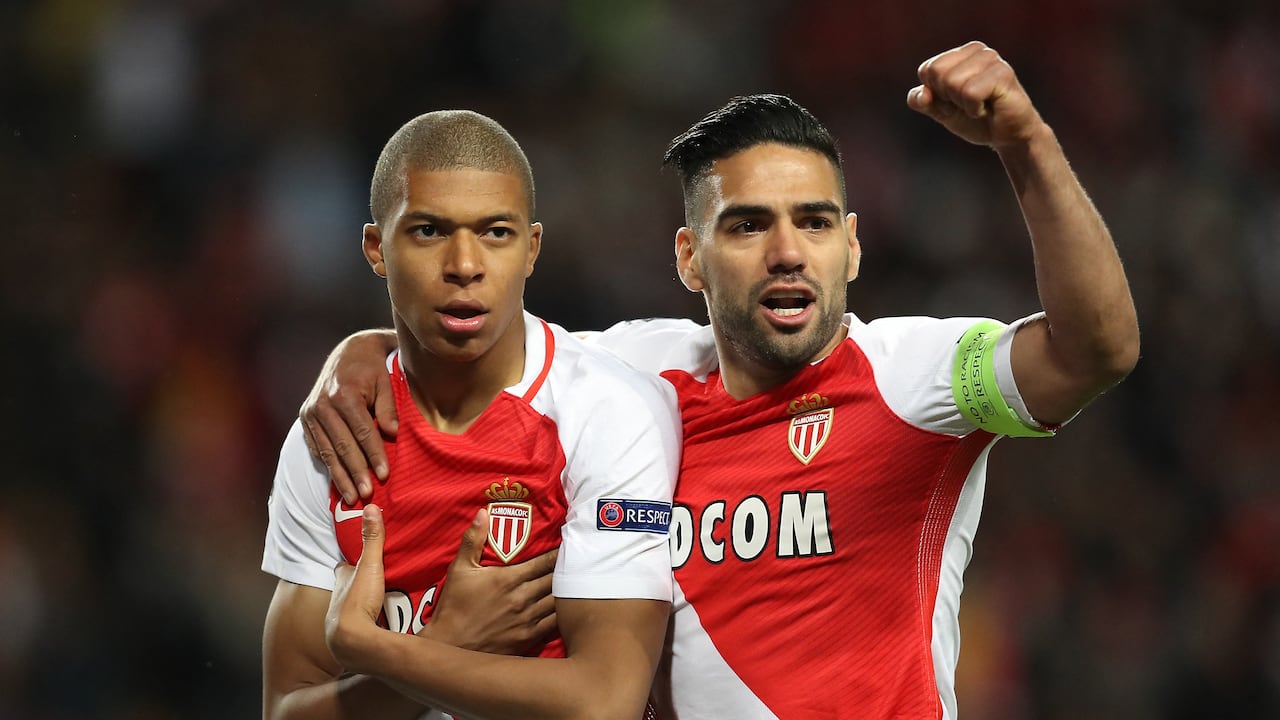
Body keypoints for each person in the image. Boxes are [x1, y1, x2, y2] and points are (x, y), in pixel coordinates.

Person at [300, 42, 1140, 719]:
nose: (786, 251)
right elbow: (473, 343)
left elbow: (1094, 352)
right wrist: (364, 349)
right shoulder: (630, 379)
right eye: (746, 225)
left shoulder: (913, 380)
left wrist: (1025, 145)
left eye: (813, 222)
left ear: (849, 246)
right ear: (689, 258)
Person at [260, 109, 682, 720]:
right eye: (429, 231)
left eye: (496, 233)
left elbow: (605, 705)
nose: (464, 264)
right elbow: (285, 710)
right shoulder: (333, 438)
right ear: (377, 249)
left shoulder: (606, 414)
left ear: (532, 248)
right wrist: (443, 642)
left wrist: (378, 652)